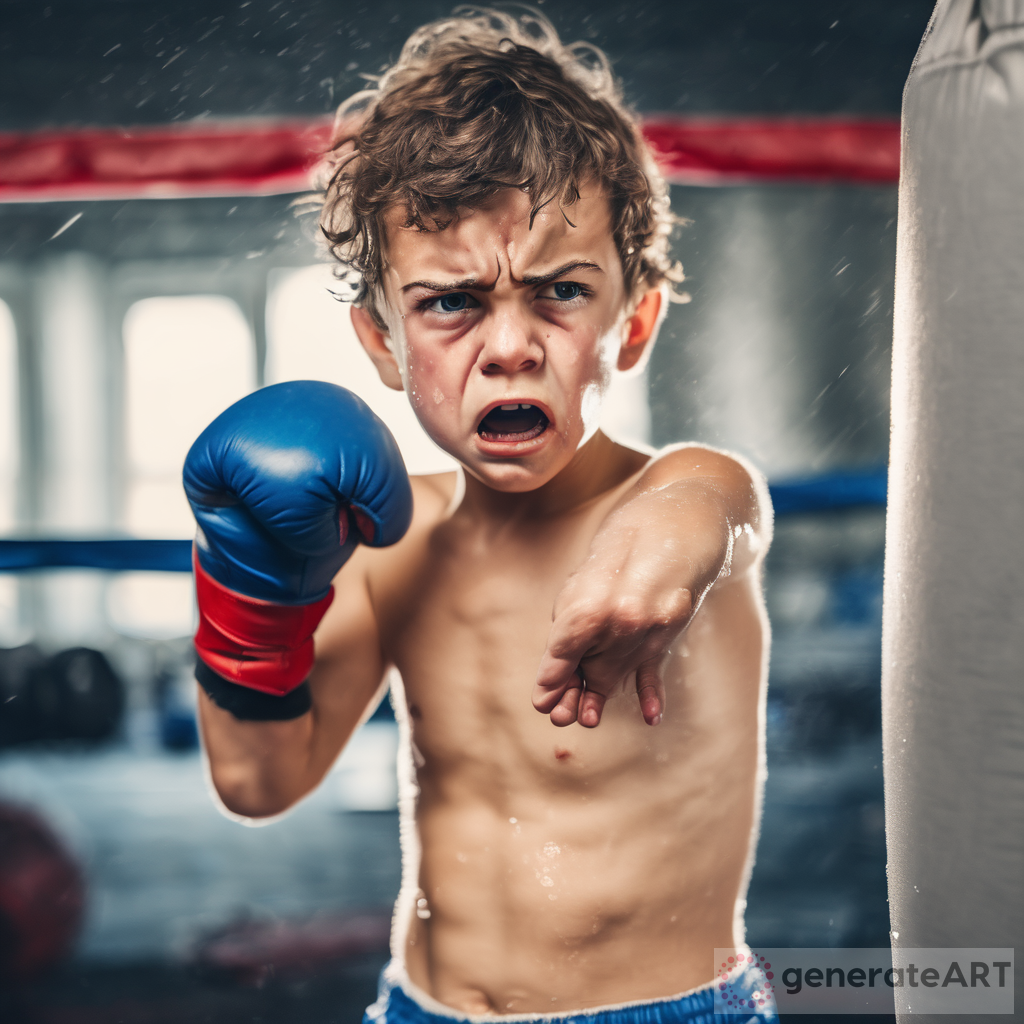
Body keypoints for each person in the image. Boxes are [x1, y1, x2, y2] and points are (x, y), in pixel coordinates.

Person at [184, 8, 774, 1022]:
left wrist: (674, 540)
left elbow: (714, 512)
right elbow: (254, 780)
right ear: (379, 340)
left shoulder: (684, 486)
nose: (509, 347)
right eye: (451, 302)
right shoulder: (384, 544)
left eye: (558, 291)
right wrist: (251, 583)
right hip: (423, 1005)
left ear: (629, 324)